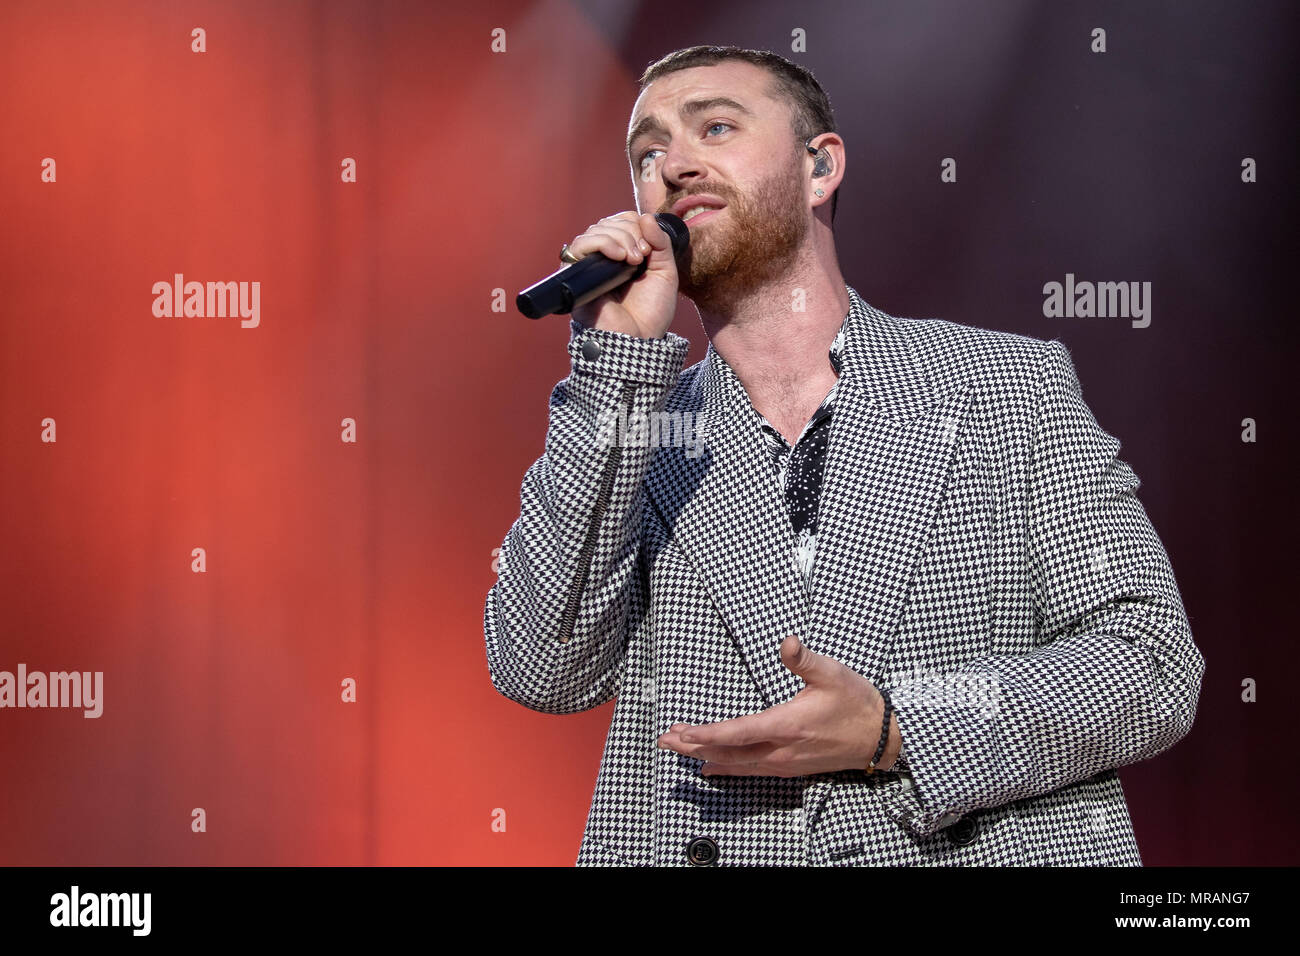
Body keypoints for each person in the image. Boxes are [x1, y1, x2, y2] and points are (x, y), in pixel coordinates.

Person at [483, 44, 1204, 866]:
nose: (674, 165)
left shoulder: (1005, 387)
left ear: (820, 167)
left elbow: (1148, 663)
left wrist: (897, 730)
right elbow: (542, 667)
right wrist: (614, 369)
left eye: (715, 127)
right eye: (648, 153)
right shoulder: (632, 426)